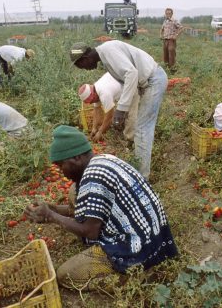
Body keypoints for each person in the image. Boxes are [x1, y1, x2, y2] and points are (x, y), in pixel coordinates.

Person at [24, 125, 178, 290]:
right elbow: (92, 208)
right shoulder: (103, 160)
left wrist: (51, 216)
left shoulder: (94, 176)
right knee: (73, 191)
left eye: (62, 166)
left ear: (76, 158)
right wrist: (52, 209)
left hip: (137, 246)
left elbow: (90, 231)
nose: (63, 173)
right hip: (154, 236)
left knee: (65, 275)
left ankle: (134, 278)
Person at [70, 40, 167, 179]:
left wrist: (121, 110)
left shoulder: (108, 51)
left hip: (153, 80)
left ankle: (142, 177)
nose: (84, 69)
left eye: (81, 66)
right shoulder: (105, 55)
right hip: (147, 83)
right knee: (141, 129)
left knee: (142, 129)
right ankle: (140, 168)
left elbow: (131, 73)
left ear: (85, 59)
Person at [78, 72, 139, 142]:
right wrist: (94, 128)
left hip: (131, 87)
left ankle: (130, 140)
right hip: (122, 86)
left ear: (93, 95)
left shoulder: (104, 93)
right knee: (120, 113)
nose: (92, 102)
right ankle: (121, 129)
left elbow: (110, 116)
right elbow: (96, 110)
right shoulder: (95, 89)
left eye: (91, 101)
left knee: (130, 115)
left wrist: (100, 132)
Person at [160, 8, 184, 72]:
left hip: (171, 40)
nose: (168, 14)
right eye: (166, 13)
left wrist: (176, 35)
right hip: (165, 40)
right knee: (165, 55)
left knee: (171, 55)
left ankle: (172, 69)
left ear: (172, 14)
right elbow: (162, 29)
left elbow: (181, 28)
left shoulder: (174, 20)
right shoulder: (165, 21)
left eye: (169, 13)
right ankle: (166, 68)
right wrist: (161, 35)